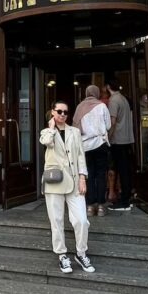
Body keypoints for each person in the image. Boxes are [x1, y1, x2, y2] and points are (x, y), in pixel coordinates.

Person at [40, 102, 95, 274]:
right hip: (54, 182)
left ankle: (81, 252)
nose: (63, 114)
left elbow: (80, 156)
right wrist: (51, 127)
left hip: (73, 182)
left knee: (81, 220)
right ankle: (62, 255)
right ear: (53, 112)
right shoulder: (46, 132)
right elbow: (46, 142)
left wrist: (82, 177)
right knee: (56, 221)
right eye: (59, 111)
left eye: (66, 112)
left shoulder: (75, 132)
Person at [74, 84, 111, 217]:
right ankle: (101, 206)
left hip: (85, 146)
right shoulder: (102, 106)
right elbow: (108, 125)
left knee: (88, 175)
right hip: (100, 144)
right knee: (101, 174)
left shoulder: (79, 107)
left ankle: (90, 206)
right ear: (97, 93)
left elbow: (75, 127)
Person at [105, 80, 134, 211]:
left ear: (108, 87)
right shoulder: (123, 98)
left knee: (121, 170)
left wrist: (108, 137)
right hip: (127, 138)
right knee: (125, 169)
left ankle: (124, 201)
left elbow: (112, 121)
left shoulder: (113, 100)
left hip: (118, 140)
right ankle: (127, 197)